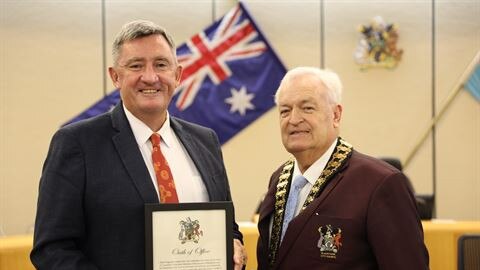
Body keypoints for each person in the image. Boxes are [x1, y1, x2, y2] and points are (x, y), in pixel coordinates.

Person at [31, 20, 247, 269]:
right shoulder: (77, 144)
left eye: (160, 64)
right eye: (136, 66)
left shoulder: (205, 141)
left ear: (177, 75)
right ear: (115, 77)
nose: (150, 77)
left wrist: (232, 242)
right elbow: (52, 250)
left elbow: (226, 226)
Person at [256, 67, 429, 269]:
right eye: (285, 111)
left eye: (307, 108)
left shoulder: (380, 184)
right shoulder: (279, 179)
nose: (293, 119)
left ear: (336, 115)